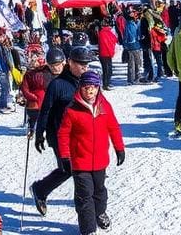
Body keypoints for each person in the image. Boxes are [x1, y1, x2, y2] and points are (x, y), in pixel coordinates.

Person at [56, 71, 125, 235]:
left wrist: (119, 148)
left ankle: (100, 212)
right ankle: (88, 229)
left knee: (99, 190)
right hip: (80, 162)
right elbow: (63, 134)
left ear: (98, 88)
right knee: (84, 195)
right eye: (86, 88)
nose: (90, 91)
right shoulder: (72, 109)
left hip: (100, 160)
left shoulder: (104, 106)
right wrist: (65, 156)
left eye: (93, 88)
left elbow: (113, 127)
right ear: (81, 88)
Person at [31, 46, 93, 217]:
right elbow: (45, 111)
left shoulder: (86, 82)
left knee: (83, 168)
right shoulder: (57, 85)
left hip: (80, 134)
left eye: (86, 64)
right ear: (71, 63)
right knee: (69, 169)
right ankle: (41, 189)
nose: (84, 67)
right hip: (59, 135)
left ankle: (89, 202)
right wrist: (39, 134)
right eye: (81, 64)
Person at [21, 50, 61, 135]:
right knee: (34, 115)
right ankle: (32, 127)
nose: (35, 64)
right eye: (33, 62)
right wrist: (32, 97)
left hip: (46, 100)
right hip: (34, 101)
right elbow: (24, 88)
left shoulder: (47, 72)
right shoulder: (28, 75)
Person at [120, 9, 143, 84]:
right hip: (135, 46)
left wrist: (125, 45)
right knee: (136, 63)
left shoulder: (128, 25)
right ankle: (136, 78)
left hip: (131, 46)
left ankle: (131, 79)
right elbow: (132, 36)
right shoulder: (132, 25)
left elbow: (125, 37)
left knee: (131, 64)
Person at [97, 23, 117, 90]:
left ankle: (106, 83)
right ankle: (106, 84)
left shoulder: (101, 33)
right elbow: (115, 39)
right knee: (108, 70)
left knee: (105, 70)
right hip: (107, 54)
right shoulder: (108, 33)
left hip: (102, 54)